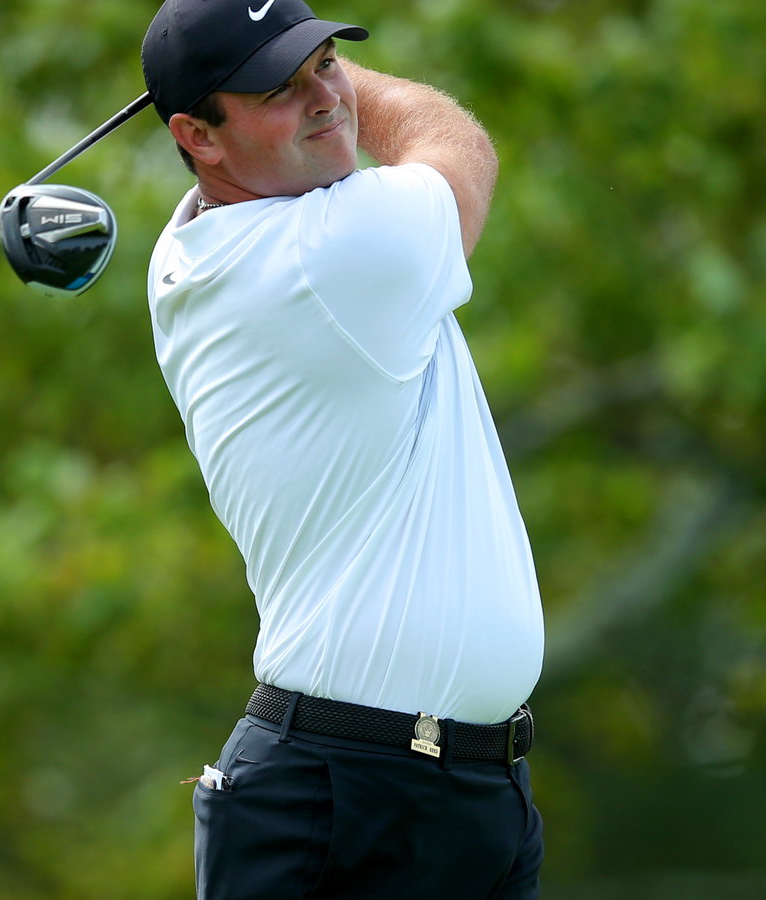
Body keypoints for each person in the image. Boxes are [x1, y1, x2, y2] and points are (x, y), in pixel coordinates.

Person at [140, 1, 545, 896]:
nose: (325, 97)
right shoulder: (326, 255)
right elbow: (455, 144)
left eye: (327, 63)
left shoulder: (201, 239)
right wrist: (335, 79)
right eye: (279, 90)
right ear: (196, 136)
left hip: (462, 797)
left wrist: (277, 76)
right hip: (345, 804)